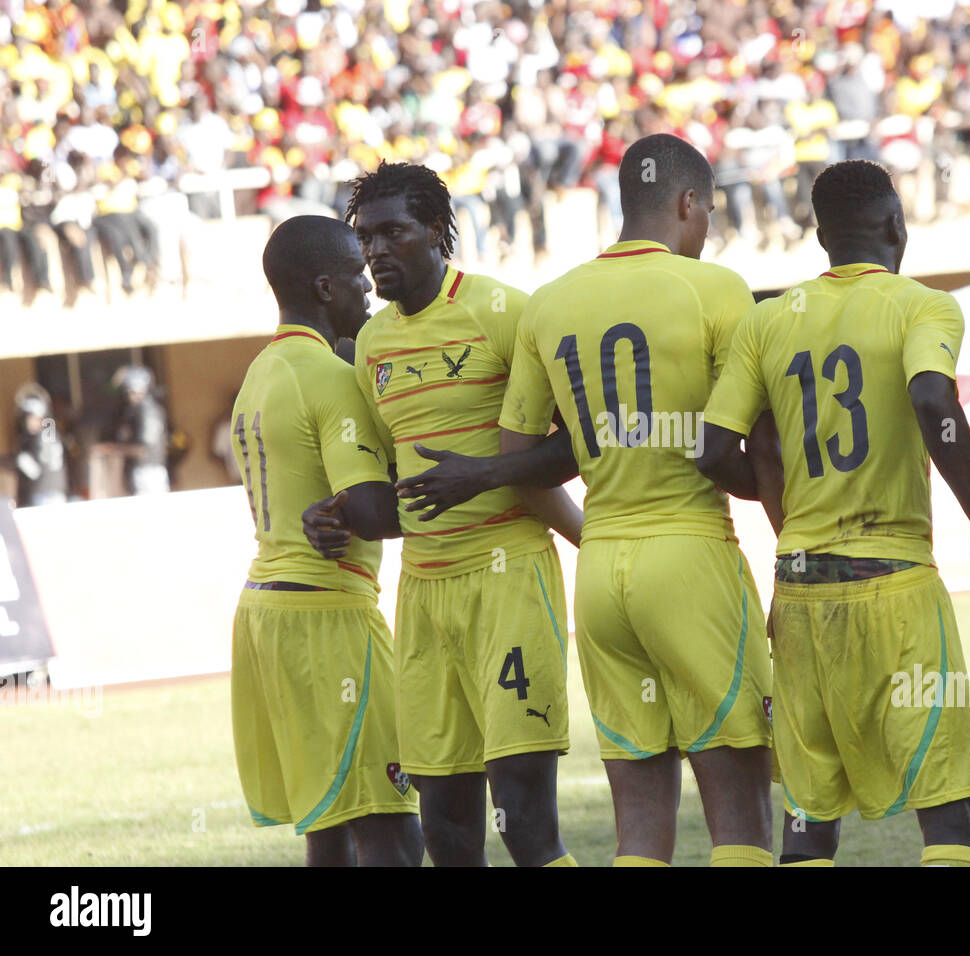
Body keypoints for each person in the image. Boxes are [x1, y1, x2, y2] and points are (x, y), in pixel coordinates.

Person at [396, 134, 779, 867]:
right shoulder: (718, 288)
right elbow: (746, 444)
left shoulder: (553, 302)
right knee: (739, 810)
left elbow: (520, 463)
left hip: (601, 574)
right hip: (692, 553)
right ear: (688, 203)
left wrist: (590, 527)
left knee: (638, 817)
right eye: (708, 212)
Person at [697, 160, 970, 866]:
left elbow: (714, 450)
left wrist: (798, 493)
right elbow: (934, 403)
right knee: (952, 812)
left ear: (820, 238)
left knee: (809, 818)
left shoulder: (769, 318)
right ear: (896, 225)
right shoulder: (923, 305)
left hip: (802, 593)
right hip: (893, 582)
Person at [304, 161, 580, 868]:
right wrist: (336, 514)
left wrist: (484, 474)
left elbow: (578, 444)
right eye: (365, 238)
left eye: (392, 233)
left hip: (509, 577)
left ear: (435, 230)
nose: (376, 252)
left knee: (523, 820)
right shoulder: (369, 347)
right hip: (424, 593)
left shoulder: (504, 312)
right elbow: (400, 486)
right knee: (449, 832)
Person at [230, 214, 421, 866]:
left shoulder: (258, 375)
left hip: (267, 610)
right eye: (356, 280)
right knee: (390, 826)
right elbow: (368, 508)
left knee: (331, 824)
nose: (369, 293)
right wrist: (473, 484)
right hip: (327, 613)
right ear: (324, 288)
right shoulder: (329, 376)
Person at [110, 366, 170, 496]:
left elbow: (143, 450)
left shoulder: (146, 410)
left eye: (130, 391)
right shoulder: (141, 410)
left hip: (148, 472)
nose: (128, 396)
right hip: (149, 470)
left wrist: (110, 449)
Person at [13, 389, 67, 507]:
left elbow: (36, 470)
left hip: (44, 494)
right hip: (56, 490)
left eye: (29, 417)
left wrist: (19, 460)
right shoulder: (50, 432)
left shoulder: (39, 437)